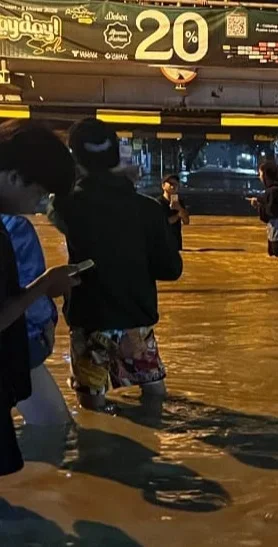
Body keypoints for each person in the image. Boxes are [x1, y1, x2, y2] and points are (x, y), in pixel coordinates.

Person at [48, 118, 183, 411]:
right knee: (154, 393)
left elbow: (55, 202)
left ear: (76, 159)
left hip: (90, 321)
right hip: (136, 320)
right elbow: (171, 270)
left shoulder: (66, 207)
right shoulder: (147, 210)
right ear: (115, 156)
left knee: (91, 405)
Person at [0, 120, 79, 475]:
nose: (38, 207)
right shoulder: (10, 228)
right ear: (15, 177)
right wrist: (46, 285)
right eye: (39, 195)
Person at [1, 214, 72, 426]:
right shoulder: (15, 226)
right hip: (14, 347)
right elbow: (28, 292)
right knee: (56, 426)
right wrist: (44, 325)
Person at [248, 161, 278, 258]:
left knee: (276, 261)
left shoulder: (272, 192)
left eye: (260, 174)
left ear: (266, 175)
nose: (259, 177)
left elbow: (269, 213)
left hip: (277, 236)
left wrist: (258, 205)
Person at [156, 175, 190, 251]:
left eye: (176, 184)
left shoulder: (179, 202)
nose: (173, 186)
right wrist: (178, 215)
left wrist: (180, 208)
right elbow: (164, 222)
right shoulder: (158, 202)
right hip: (163, 242)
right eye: (171, 183)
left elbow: (186, 221)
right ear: (163, 186)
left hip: (176, 241)